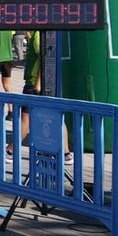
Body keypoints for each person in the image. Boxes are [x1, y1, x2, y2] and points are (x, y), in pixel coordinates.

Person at [20, 29, 71, 165]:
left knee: (25, 119)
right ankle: (66, 153)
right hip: (47, 83)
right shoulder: (43, 33)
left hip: (35, 85)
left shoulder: (39, 34)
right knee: (57, 116)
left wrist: (38, 84)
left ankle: (10, 151)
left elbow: (44, 56)